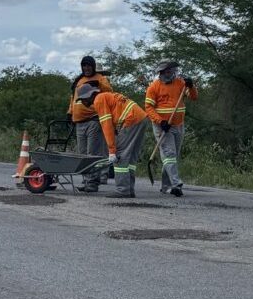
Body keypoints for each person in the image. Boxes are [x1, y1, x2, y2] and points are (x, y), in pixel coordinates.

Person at [76, 84, 148, 198]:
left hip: (130, 119)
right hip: (140, 118)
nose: (82, 102)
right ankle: (129, 189)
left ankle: (122, 190)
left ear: (89, 96)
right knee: (130, 158)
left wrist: (112, 150)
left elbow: (106, 125)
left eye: (83, 99)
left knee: (120, 156)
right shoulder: (105, 96)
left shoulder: (99, 100)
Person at [144, 60, 198, 197]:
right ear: (161, 72)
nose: (169, 72)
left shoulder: (180, 83)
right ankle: (176, 184)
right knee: (169, 154)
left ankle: (165, 187)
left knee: (172, 157)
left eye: (171, 70)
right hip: (162, 127)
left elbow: (194, 97)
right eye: (166, 70)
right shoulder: (153, 87)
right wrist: (160, 121)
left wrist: (191, 86)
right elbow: (148, 108)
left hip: (178, 124)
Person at [67, 56, 112, 192]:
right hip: (79, 122)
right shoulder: (79, 80)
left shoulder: (100, 78)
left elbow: (109, 92)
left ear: (92, 66)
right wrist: (70, 112)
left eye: (88, 65)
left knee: (92, 153)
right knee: (82, 153)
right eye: (84, 65)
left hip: (93, 119)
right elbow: (73, 98)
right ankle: (86, 180)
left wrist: (98, 84)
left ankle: (93, 182)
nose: (86, 68)